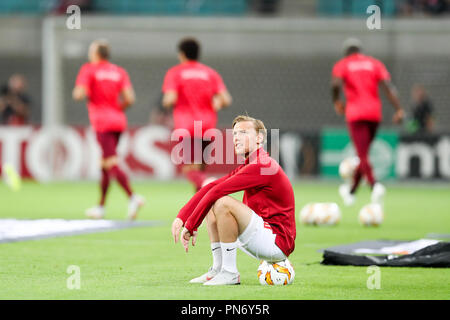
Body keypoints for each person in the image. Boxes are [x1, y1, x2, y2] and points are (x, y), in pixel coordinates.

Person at [171, 115, 296, 286]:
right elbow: (210, 187)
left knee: (222, 202)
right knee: (213, 196)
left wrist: (192, 224)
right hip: (262, 235)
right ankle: (218, 269)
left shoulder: (263, 165)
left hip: (276, 242)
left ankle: (229, 272)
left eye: (243, 132)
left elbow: (217, 191)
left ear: (259, 138)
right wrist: (182, 217)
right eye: (235, 133)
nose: (236, 138)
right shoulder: (252, 163)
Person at [73, 39, 145, 220]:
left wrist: (86, 93)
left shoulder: (89, 69)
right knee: (104, 164)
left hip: (102, 122)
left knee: (110, 163)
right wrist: (116, 109)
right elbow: (130, 98)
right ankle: (101, 207)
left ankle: (132, 197)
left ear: (96, 54)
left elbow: (79, 94)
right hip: (118, 121)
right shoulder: (118, 71)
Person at [331, 38, 405, 206]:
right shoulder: (374, 64)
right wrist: (399, 109)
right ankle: (351, 192)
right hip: (374, 114)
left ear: (346, 53)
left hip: (356, 114)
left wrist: (337, 101)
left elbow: (335, 84)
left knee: (362, 155)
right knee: (362, 154)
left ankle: (375, 185)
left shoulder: (343, 64)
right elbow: (388, 87)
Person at [162, 37, 232, 191]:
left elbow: (170, 98)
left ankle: (210, 183)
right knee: (199, 168)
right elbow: (226, 99)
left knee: (189, 169)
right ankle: (201, 211)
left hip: (187, 127)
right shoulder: (210, 73)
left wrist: (167, 102)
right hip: (207, 126)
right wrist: (215, 104)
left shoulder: (176, 73)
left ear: (181, 54)